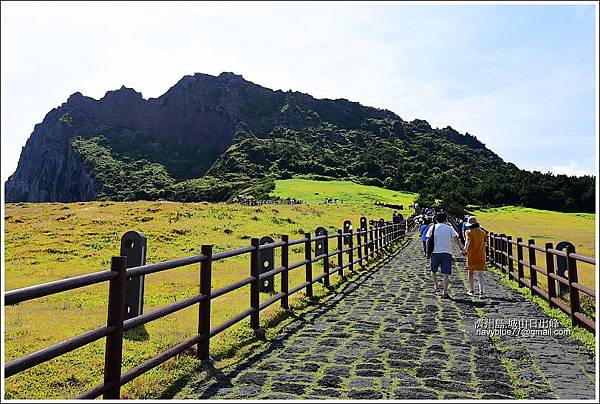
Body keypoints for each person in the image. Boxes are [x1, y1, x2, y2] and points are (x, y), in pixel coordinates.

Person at [426, 212, 464, 298]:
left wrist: (427, 252)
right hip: (447, 252)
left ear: (436, 219)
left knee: (433, 270)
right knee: (446, 273)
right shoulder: (449, 228)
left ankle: (436, 287)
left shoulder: (433, 227)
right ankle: (445, 292)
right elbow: (456, 238)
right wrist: (461, 247)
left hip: (435, 252)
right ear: (445, 219)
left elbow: (428, 239)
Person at [461, 216, 487, 297]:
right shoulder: (482, 233)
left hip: (472, 255)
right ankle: (481, 292)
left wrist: (464, 250)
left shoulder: (469, 232)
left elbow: (467, 242)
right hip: (481, 254)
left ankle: (472, 290)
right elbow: (485, 243)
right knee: (481, 274)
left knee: (471, 272)